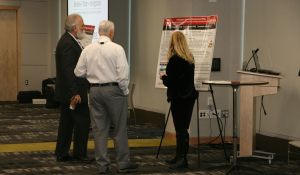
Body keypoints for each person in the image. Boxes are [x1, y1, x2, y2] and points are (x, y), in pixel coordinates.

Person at [74, 20, 139, 174]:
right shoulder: (117, 49)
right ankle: (123, 164)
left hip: (94, 92)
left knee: (99, 130)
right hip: (114, 91)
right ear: (111, 32)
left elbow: (78, 72)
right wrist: (124, 92)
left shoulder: (88, 49)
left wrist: (92, 75)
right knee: (119, 130)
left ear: (99, 32)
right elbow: (122, 76)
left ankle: (103, 166)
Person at [54, 14, 93, 163]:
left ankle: (62, 153)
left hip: (68, 94)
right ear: (75, 28)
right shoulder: (68, 43)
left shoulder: (69, 40)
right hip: (73, 94)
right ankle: (79, 154)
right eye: (82, 25)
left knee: (67, 123)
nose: (84, 28)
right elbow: (68, 70)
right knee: (82, 121)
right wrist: (75, 92)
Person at [159, 31, 198, 169]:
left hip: (178, 98)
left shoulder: (174, 60)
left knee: (179, 128)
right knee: (183, 128)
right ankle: (180, 156)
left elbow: (171, 82)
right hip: (189, 97)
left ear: (173, 43)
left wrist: (163, 77)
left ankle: (182, 158)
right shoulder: (190, 58)